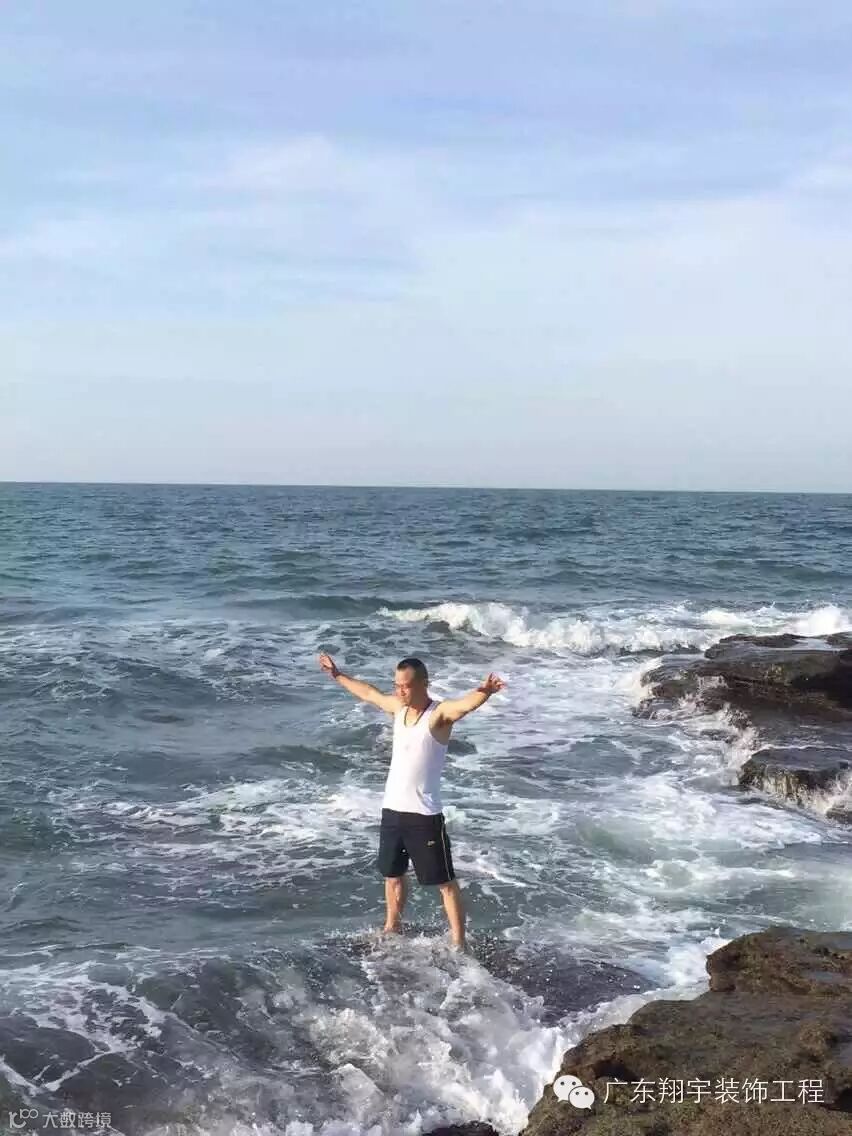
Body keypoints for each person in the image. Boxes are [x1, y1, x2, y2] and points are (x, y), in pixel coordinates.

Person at [317, 652, 506, 950]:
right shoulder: (398, 708)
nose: (399, 690)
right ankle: (392, 927)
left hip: (424, 815)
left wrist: (485, 692)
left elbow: (463, 706)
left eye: (405, 686)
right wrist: (337, 675)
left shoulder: (438, 715)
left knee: (445, 883)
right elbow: (369, 693)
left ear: (423, 684)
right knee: (392, 876)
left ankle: (459, 942)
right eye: (397, 685)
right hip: (393, 811)